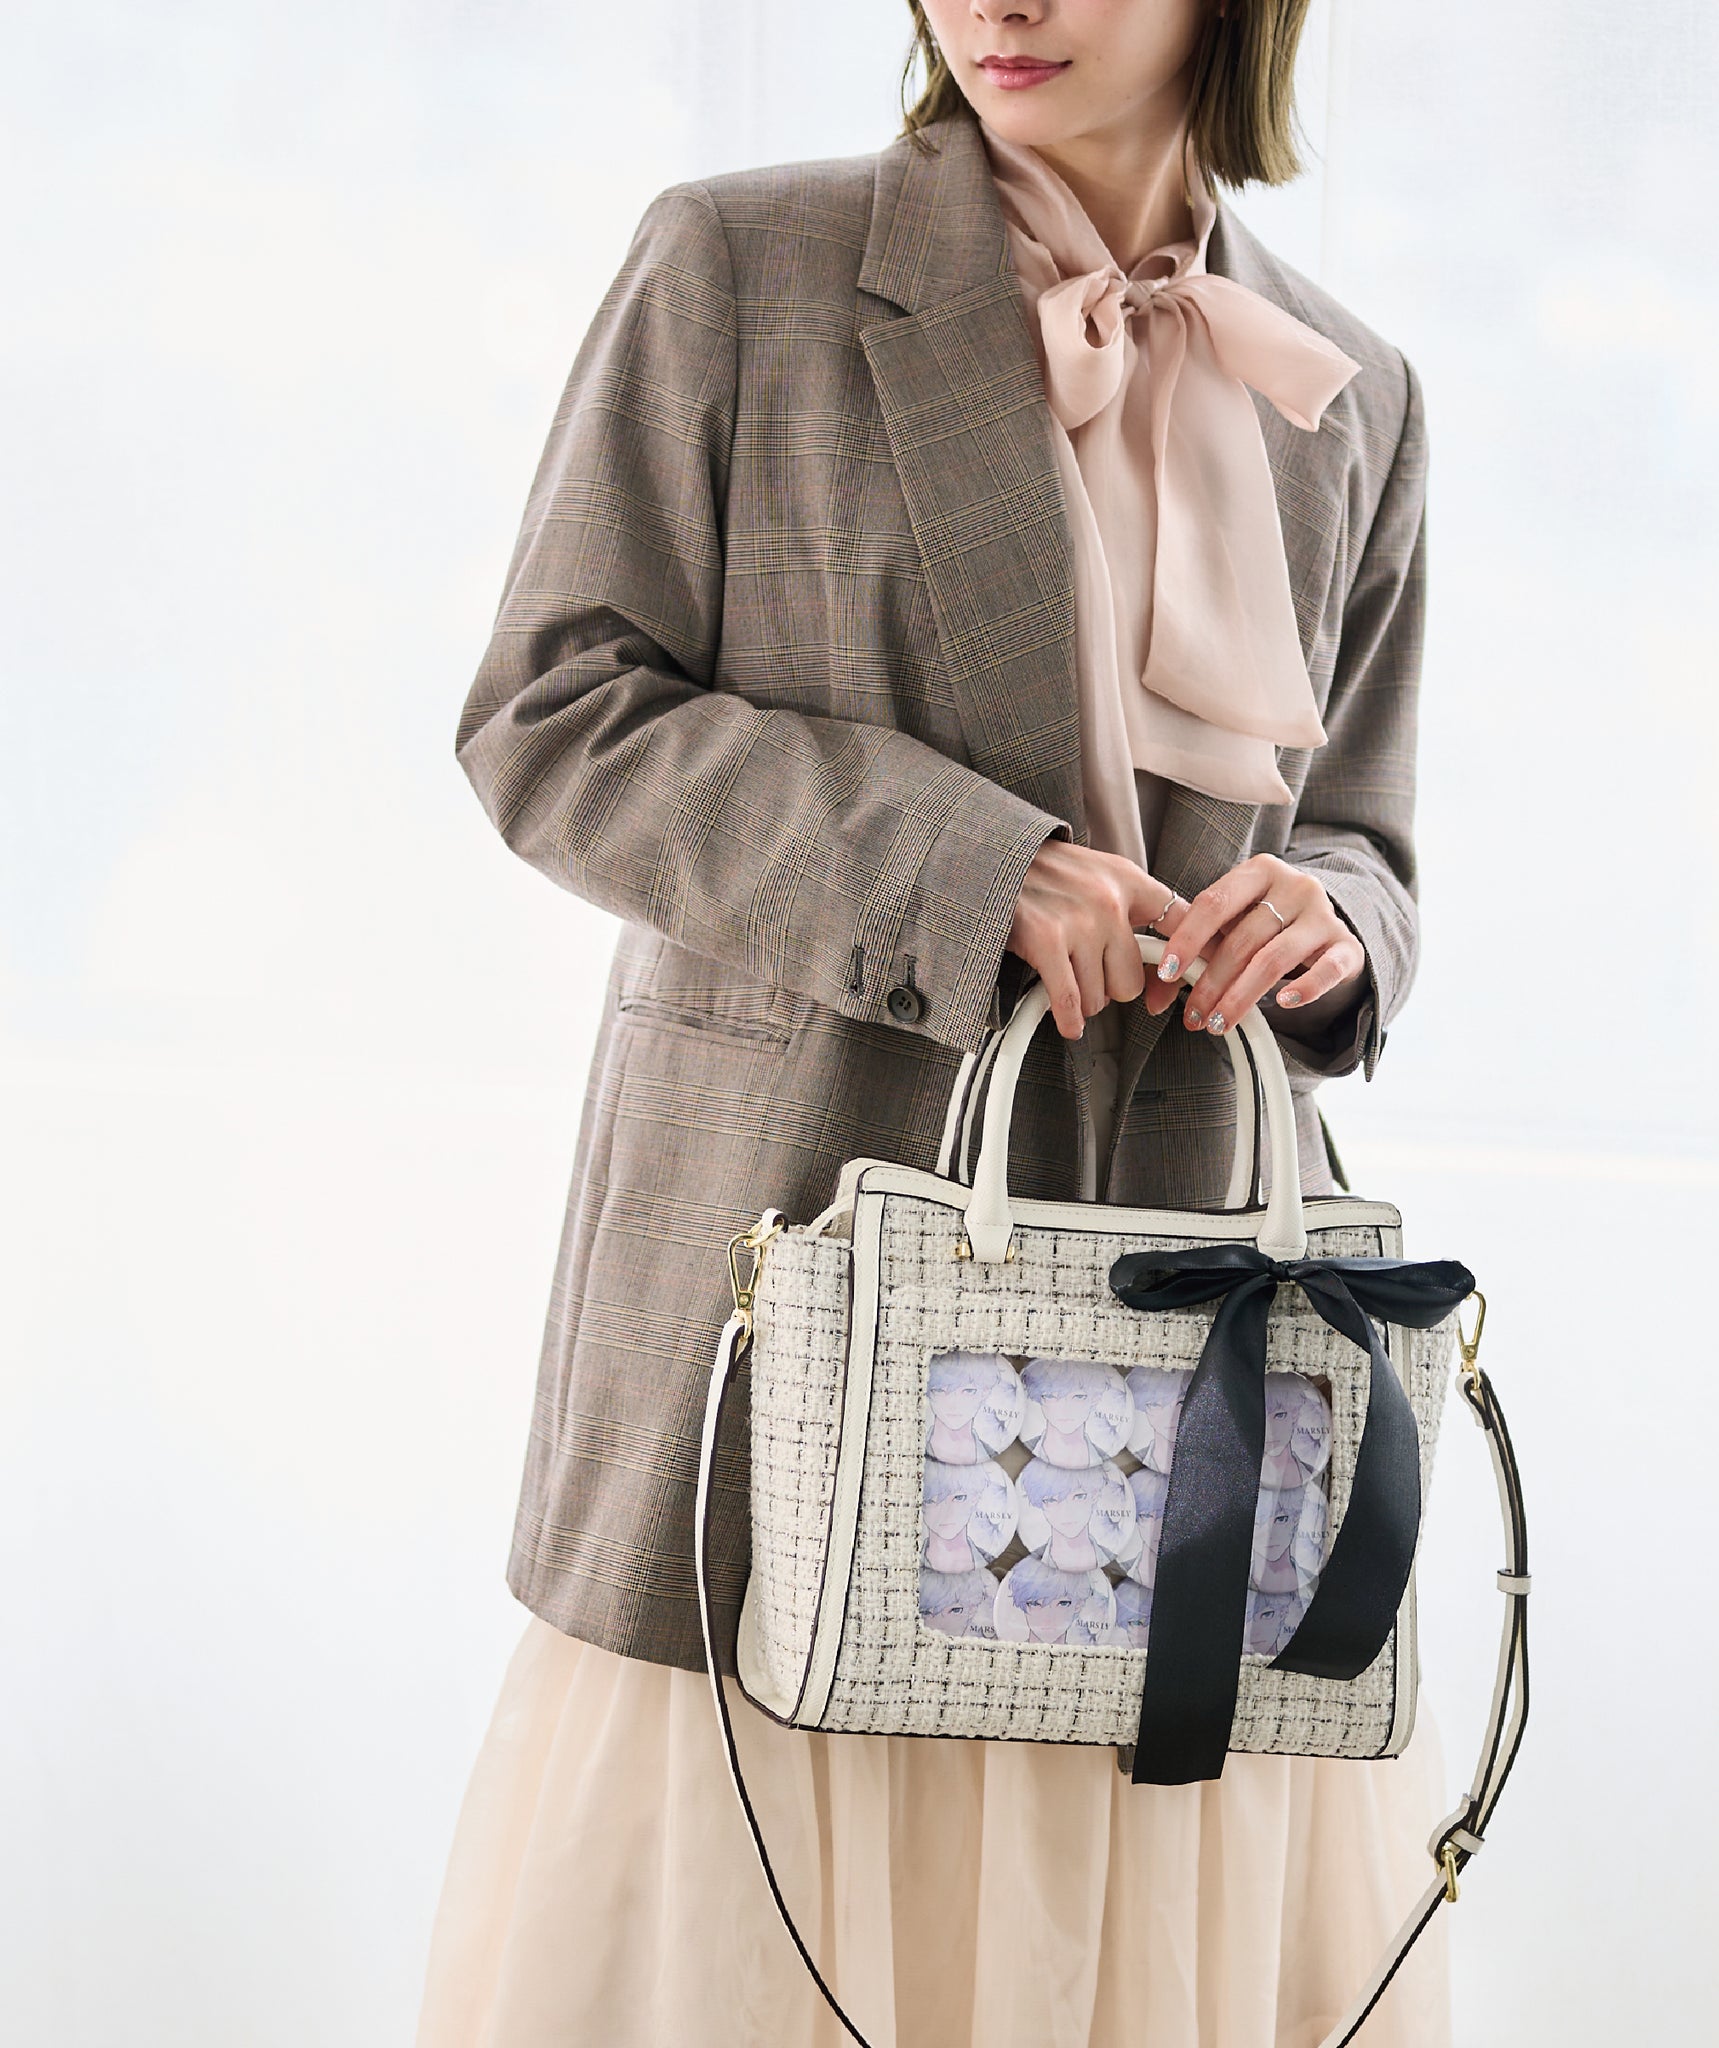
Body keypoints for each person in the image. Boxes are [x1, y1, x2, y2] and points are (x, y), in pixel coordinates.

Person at [415, 3, 1447, 2042]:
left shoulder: (1349, 389)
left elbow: (1366, 833)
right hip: (796, 1274)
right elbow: (552, 715)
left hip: (1173, 1366)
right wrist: (966, 873)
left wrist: (1331, 923)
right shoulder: (739, 269)